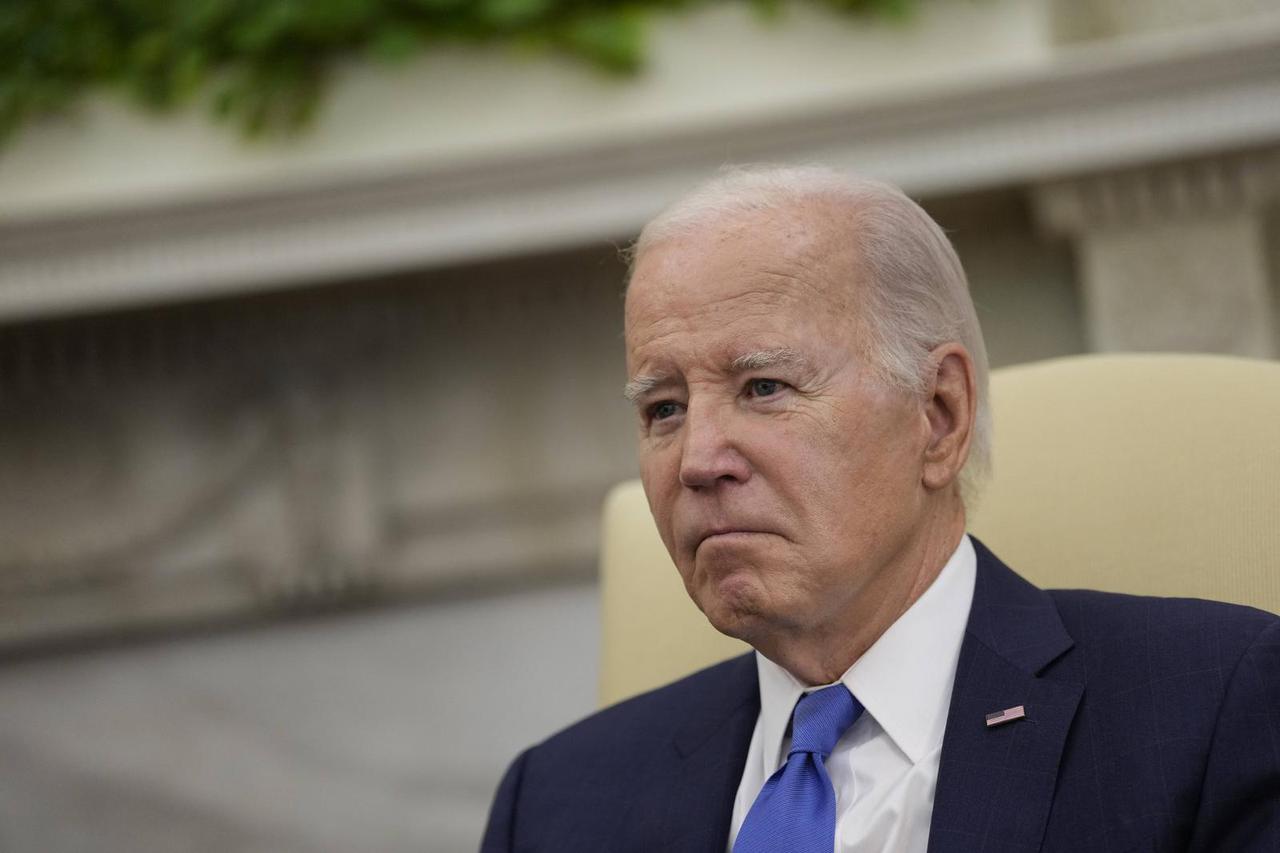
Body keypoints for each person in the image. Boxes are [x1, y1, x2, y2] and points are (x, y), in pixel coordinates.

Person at [480, 165, 1280, 852]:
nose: (696, 460)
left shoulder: (1213, 708)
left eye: (764, 388)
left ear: (938, 415)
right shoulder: (555, 805)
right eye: (662, 408)